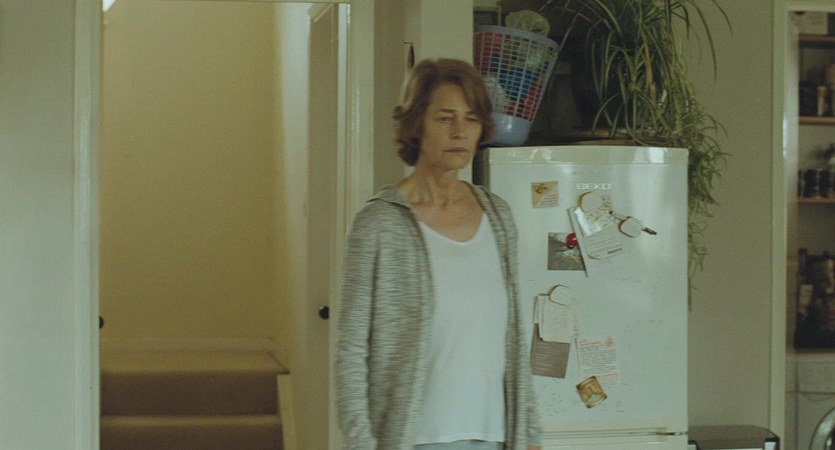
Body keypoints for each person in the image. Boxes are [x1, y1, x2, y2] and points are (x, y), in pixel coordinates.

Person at [335, 58, 541, 450]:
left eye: (471, 119)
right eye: (445, 118)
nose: (459, 131)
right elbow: (351, 349)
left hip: (495, 436)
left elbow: (514, 340)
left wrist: (529, 435)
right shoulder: (380, 224)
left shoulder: (498, 216)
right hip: (413, 440)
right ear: (416, 125)